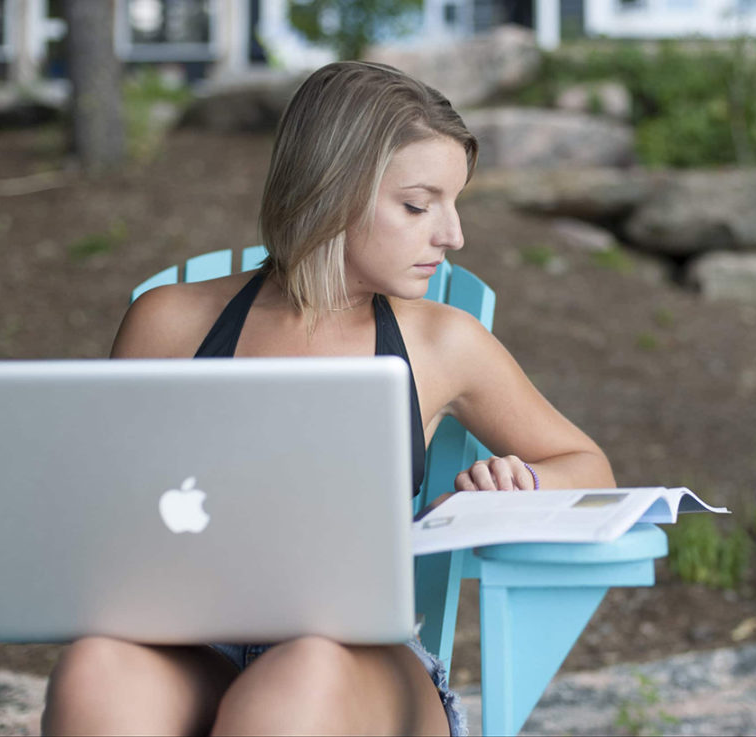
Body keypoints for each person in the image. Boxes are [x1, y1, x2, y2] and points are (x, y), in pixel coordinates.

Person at [41, 61, 615, 737]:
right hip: (197, 648)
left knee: (301, 677)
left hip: (358, 664)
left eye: (453, 203)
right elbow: (110, 511)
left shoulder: (442, 343)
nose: (452, 234)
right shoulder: (171, 322)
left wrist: (523, 480)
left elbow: (590, 467)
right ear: (331, 190)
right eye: (417, 205)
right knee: (95, 671)